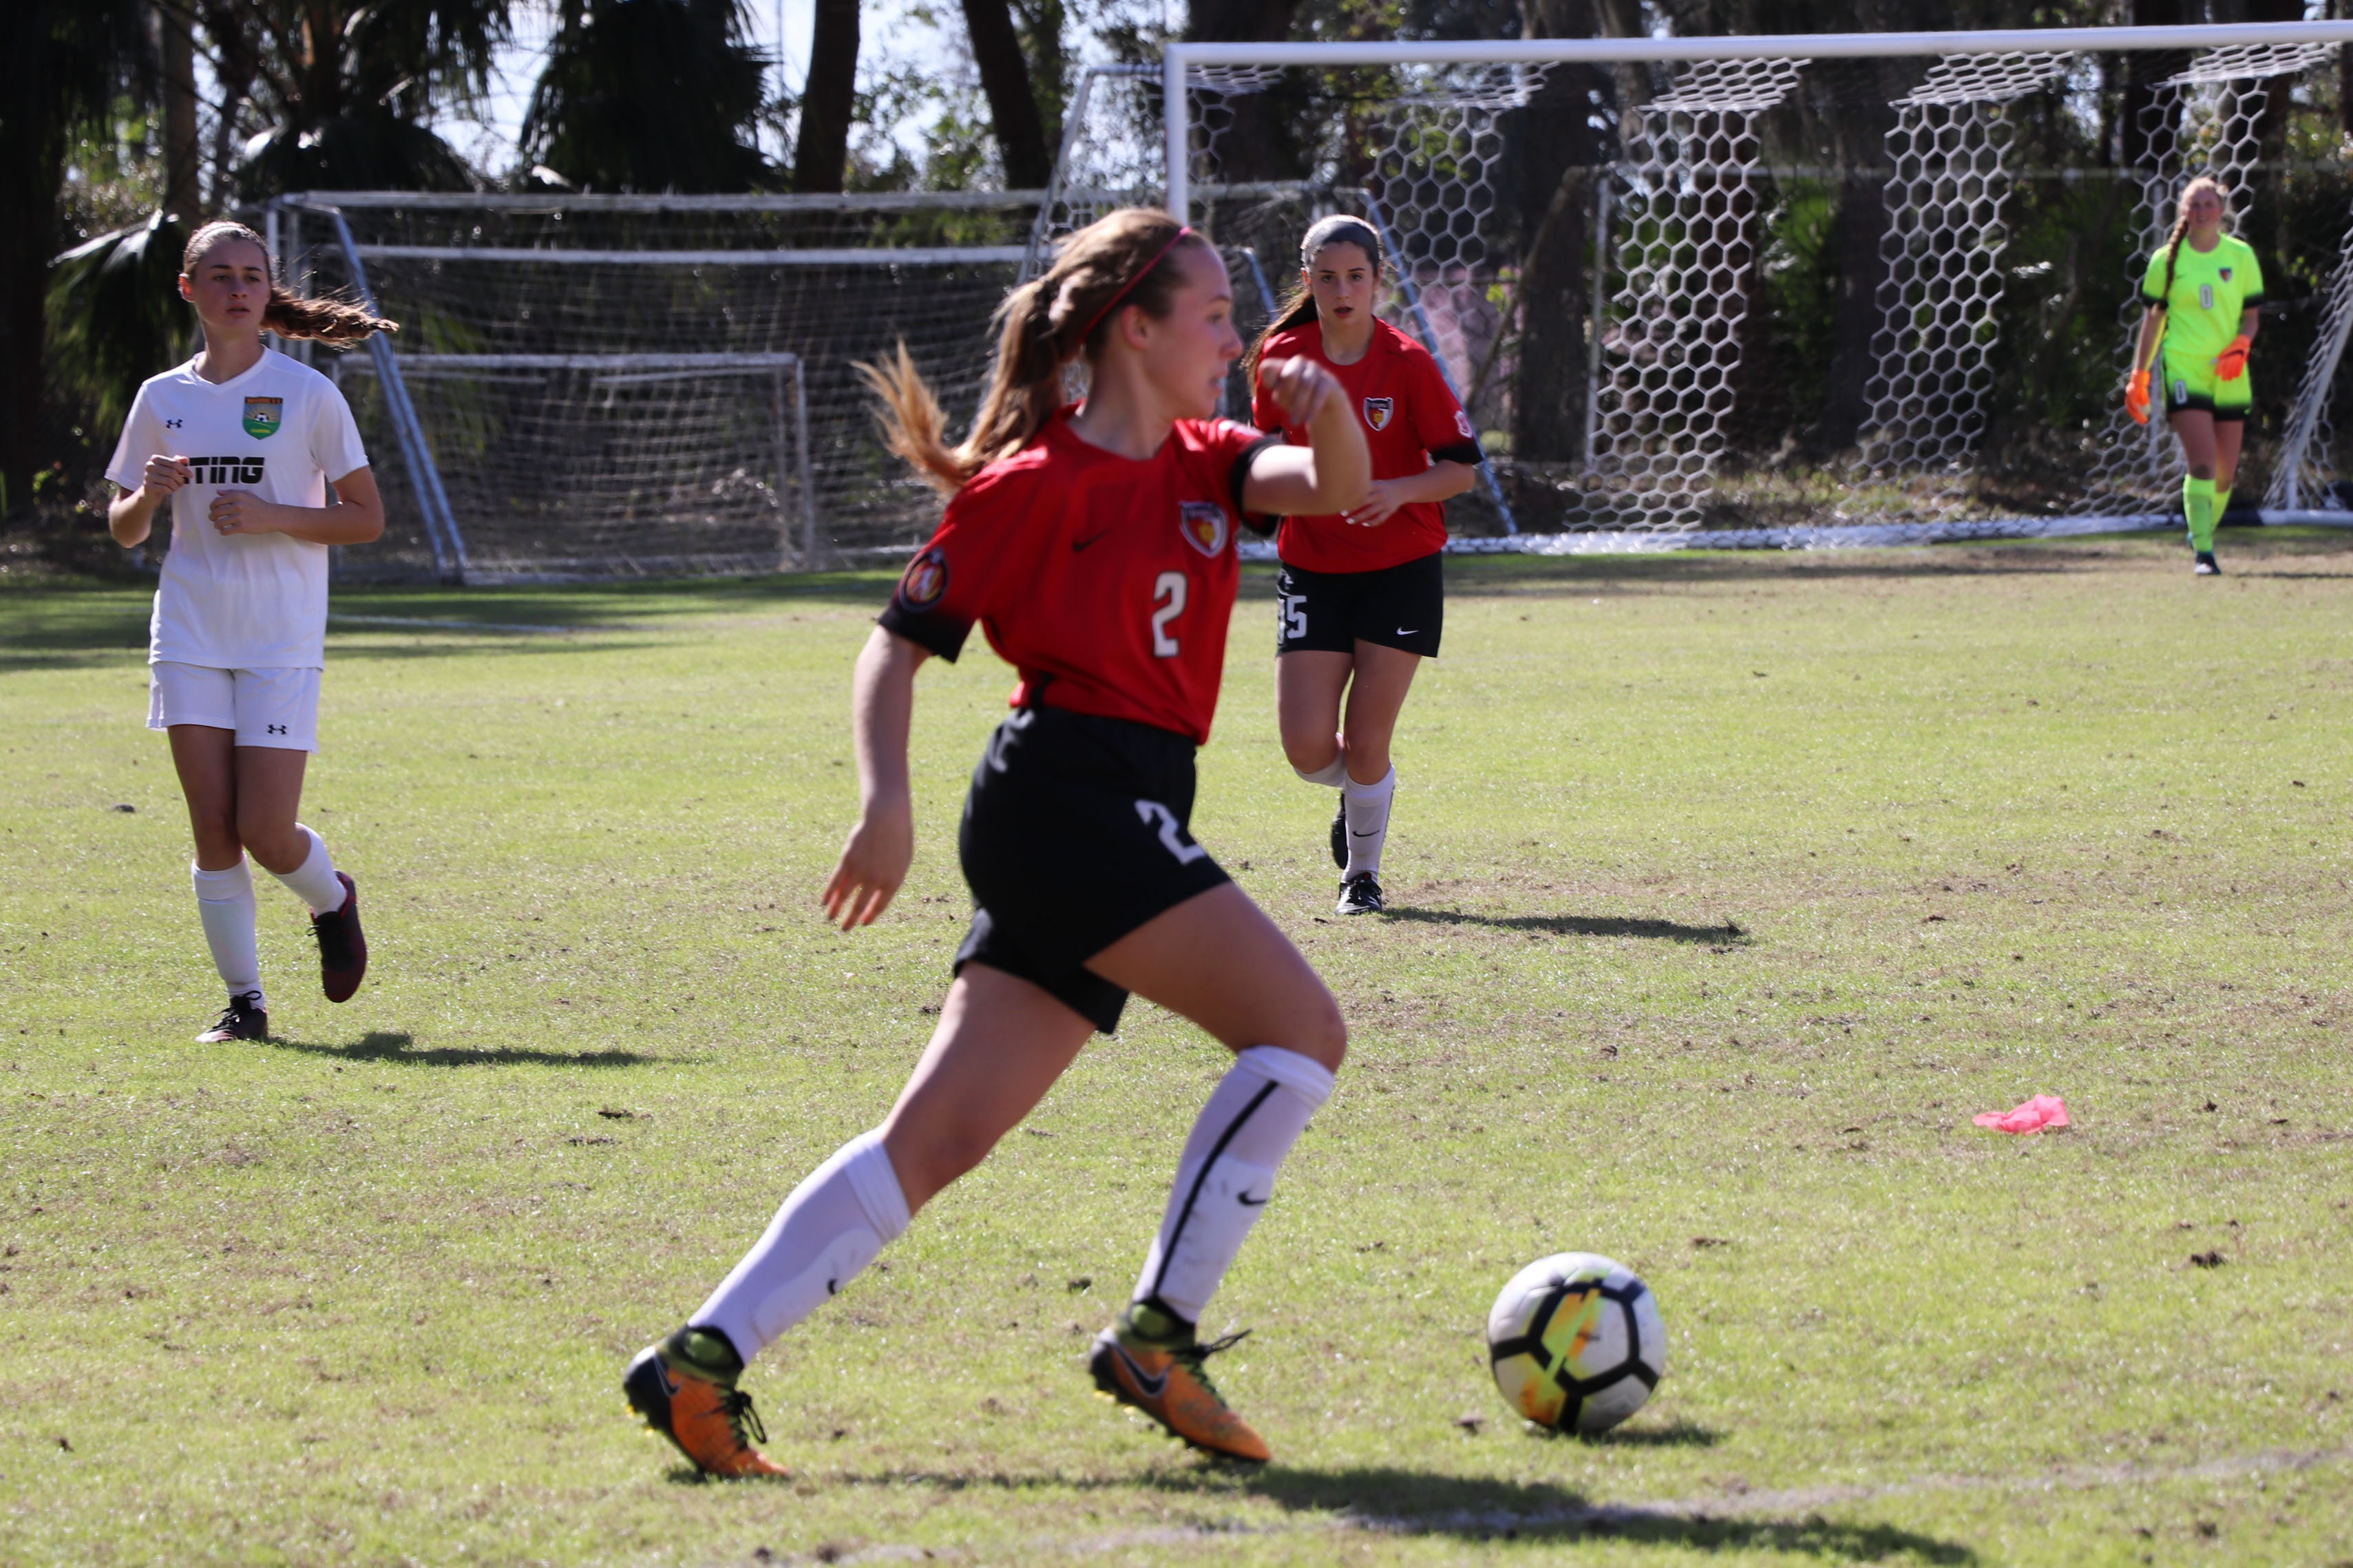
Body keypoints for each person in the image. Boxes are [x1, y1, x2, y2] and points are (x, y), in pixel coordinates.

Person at [622, 209, 1371, 1478]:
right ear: (1133, 328)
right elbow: (893, 644)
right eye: (1210, 316)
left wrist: (1330, 407)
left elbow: (1337, 491)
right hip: (1067, 796)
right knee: (1301, 1031)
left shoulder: (1206, 458)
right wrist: (882, 800)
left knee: (938, 1137)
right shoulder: (1033, 487)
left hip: (1109, 806)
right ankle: (1157, 1333)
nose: (1235, 337)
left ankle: (701, 1360)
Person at [105, 220, 389, 1043]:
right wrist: (149, 495)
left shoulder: (308, 395)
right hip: (190, 628)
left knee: (266, 831)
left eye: (253, 276)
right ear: (189, 290)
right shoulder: (163, 397)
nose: (238, 288)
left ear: (269, 294)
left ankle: (333, 899)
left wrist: (273, 515)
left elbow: (366, 519)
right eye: (221, 276)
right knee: (212, 828)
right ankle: (246, 1003)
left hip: (279, 639)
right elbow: (124, 529)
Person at [1247, 215, 1485, 915]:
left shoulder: (1407, 361)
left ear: (1378, 280)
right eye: (1327, 277)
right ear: (1307, 281)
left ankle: (1362, 874)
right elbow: (1258, 457)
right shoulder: (1281, 360)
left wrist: (1396, 490)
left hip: (1401, 567)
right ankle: (1363, 793)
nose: (1342, 290)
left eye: (1356, 276)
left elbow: (1460, 471)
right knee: (1304, 746)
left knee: (1369, 738)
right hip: (1313, 568)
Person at [2127, 176, 2264, 577]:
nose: (2201, 212)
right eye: (2194, 205)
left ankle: (2201, 531)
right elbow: (2153, 322)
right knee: (2202, 463)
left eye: (2208, 205)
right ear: (2184, 212)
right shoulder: (2165, 262)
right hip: (2184, 367)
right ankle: (2204, 554)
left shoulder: (2241, 257)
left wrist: (2242, 343)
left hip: (2230, 372)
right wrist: (2140, 373)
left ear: (2222, 211)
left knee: (2224, 476)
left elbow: (2251, 318)